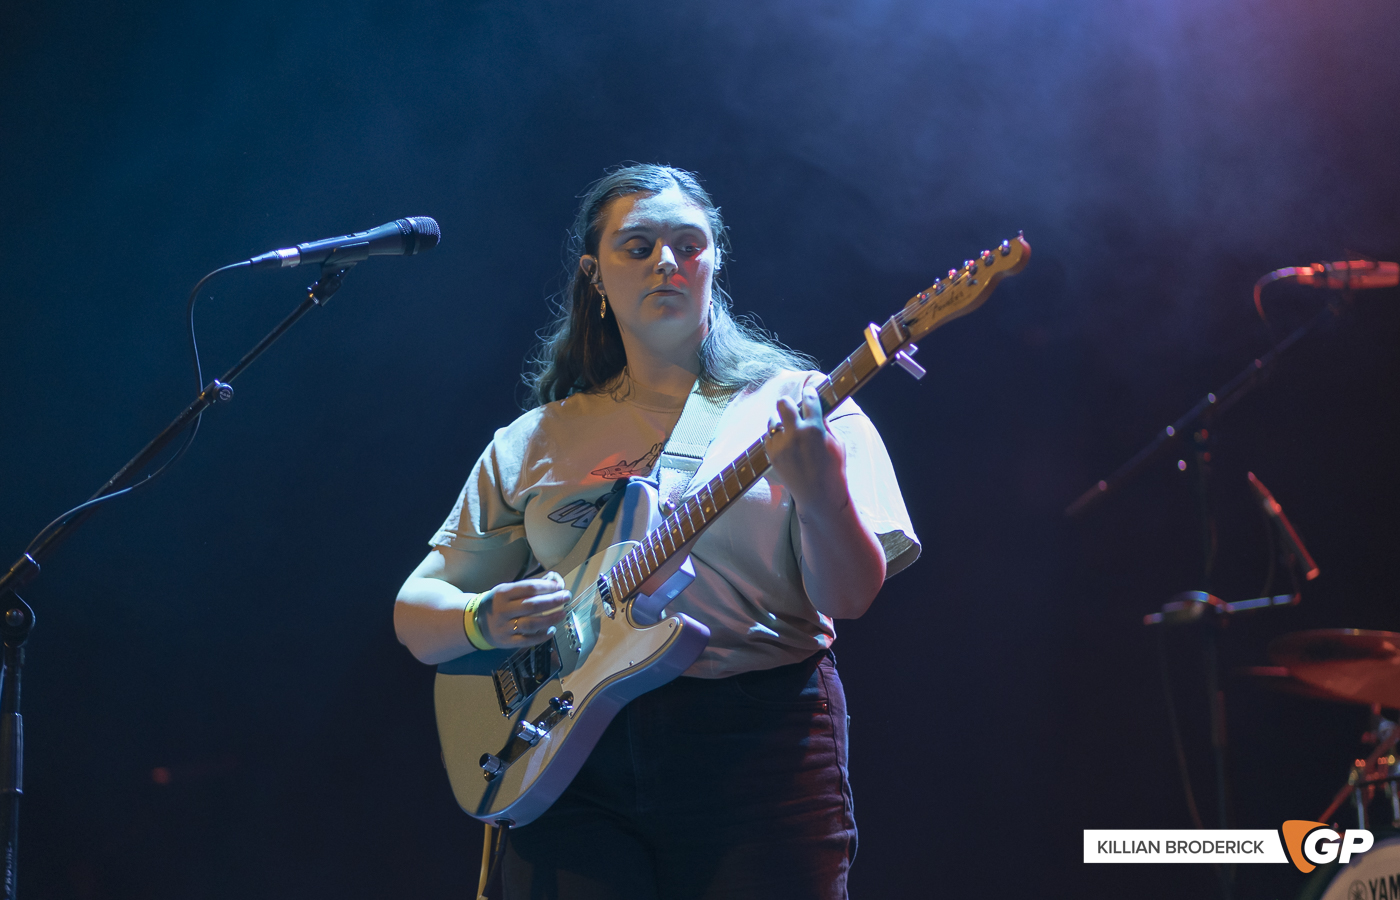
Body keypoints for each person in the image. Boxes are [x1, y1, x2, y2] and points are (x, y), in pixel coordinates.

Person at [394, 164, 919, 900]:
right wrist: (483, 619)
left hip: (757, 747)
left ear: (716, 261)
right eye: (637, 247)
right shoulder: (531, 441)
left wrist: (821, 487)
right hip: (571, 761)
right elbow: (418, 615)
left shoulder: (801, 404)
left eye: (688, 244)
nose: (666, 262)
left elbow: (852, 596)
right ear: (595, 275)